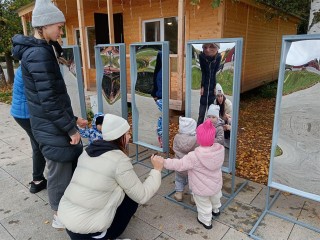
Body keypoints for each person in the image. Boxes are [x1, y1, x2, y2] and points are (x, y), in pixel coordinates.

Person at [12, 0, 85, 229]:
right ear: (43, 26)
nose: (60, 31)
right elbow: (49, 101)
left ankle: (68, 207)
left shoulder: (44, 49)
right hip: (51, 126)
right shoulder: (38, 54)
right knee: (59, 172)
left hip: (52, 123)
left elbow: (52, 94)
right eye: (58, 26)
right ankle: (58, 215)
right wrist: (70, 129)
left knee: (66, 166)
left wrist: (73, 120)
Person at [58, 114, 164, 239]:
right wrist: (156, 170)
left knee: (121, 188)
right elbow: (142, 196)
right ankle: (108, 236)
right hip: (89, 233)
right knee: (132, 199)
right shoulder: (119, 161)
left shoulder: (87, 152)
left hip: (68, 222)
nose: (129, 136)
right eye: (127, 133)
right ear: (119, 137)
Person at [154, 119, 225, 229]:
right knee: (216, 198)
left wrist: (164, 162)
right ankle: (216, 210)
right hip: (216, 185)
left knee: (204, 205)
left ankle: (206, 221)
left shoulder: (194, 156)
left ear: (199, 138)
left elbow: (179, 164)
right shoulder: (219, 151)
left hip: (201, 189)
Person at [10, 66, 47, 194]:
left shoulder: (26, 64)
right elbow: (43, 96)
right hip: (27, 114)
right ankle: (37, 181)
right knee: (41, 145)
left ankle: (38, 179)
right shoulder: (33, 67)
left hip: (21, 112)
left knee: (36, 144)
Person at [172, 117, 198, 204]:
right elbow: (198, 151)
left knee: (179, 179)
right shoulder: (196, 139)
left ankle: (179, 193)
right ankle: (193, 197)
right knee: (193, 181)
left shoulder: (177, 137)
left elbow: (174, 148)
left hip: (179, 164)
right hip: (191, 166)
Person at [197, 43, 222, 126]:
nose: (207, 50)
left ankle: (211, 129)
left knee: (211, 113)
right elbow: (203, 72)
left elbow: (215, 73)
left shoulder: (218, 57)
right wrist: (202, 86)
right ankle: (198, 129)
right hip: (205, 86)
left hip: (212, 87)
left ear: (217, 48)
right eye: (205, 47)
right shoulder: (201, 56)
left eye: (211, 47)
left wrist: (215, 86)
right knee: (201, 113)